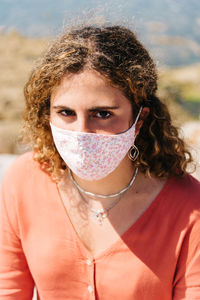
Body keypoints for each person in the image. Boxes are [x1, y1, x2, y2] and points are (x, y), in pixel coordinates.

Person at [0, 25, 200, 300]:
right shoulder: (22, 181)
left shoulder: (190, 208)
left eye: (103, 114)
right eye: (66, 112)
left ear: (139, 120)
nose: (82, 132)